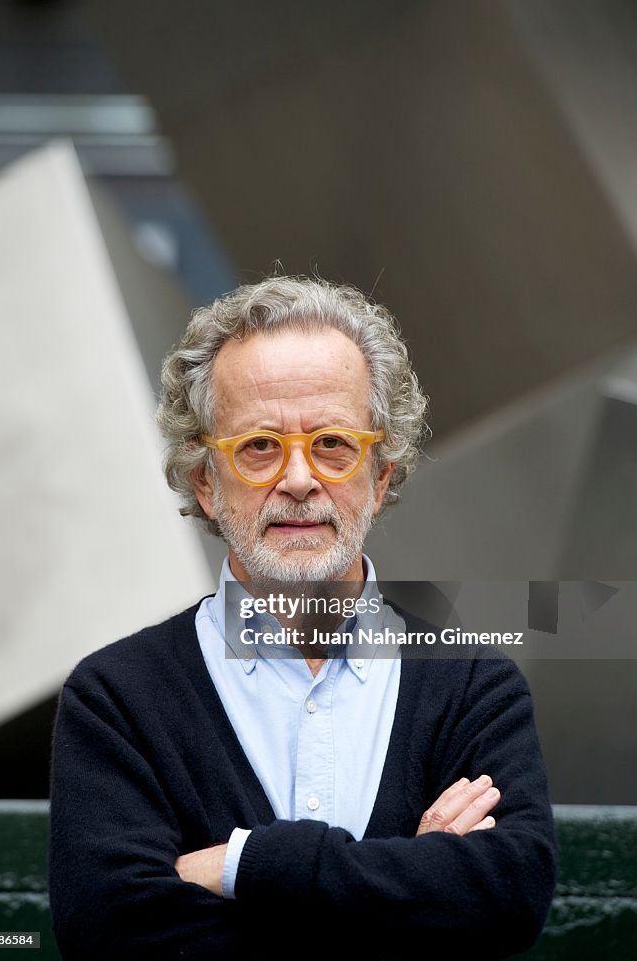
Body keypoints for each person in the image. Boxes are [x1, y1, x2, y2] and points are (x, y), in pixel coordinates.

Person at [48, 276, 557, 960]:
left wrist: (241, 865)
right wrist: (409, 882)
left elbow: (504, 901)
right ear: (205, 480)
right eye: (258, 446)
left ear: (380, 476)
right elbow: (114, 934)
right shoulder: (116, 698)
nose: (296, 478)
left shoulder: (474, 686)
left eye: (333, 444)